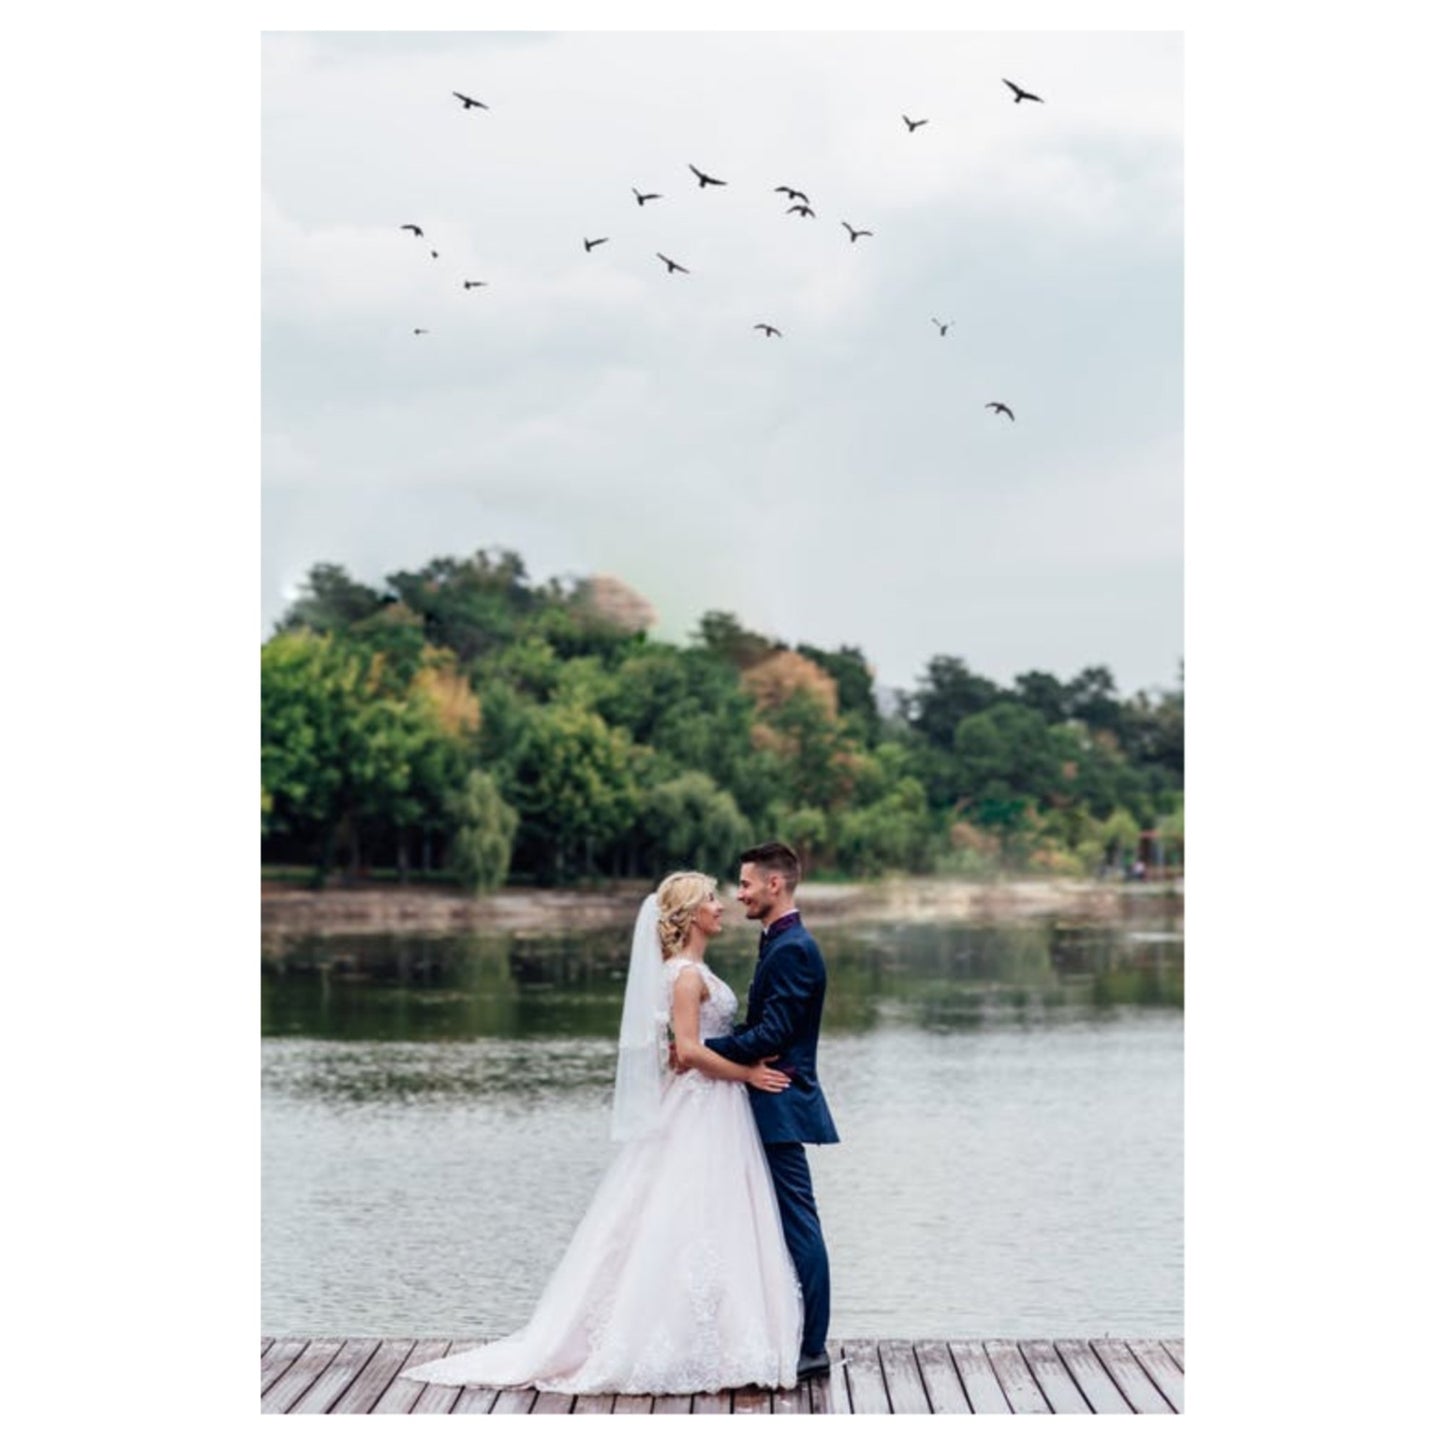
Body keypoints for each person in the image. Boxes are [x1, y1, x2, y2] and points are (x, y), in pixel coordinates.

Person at [399, 871, 803, 1396]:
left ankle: (723, 1340)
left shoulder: (690, 970)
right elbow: (688, 1052)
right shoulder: (684, 975)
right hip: (703, 1108)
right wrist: (748, 1072)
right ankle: (677, 1340)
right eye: (710, 898)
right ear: (689, 915)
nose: (720, 906)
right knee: (688, 1218)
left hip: (716, 1110)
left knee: (711, 1218)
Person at [702, 841, 839, 1383]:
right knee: (772, 1221)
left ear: (774, 885)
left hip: (781, 1098)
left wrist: (703, 1053)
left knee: (798, 1223)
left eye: (746, 884)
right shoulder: (777, 943)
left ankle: (812, 1348)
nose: (739, 894)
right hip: (765, 1096)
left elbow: (776, 1033)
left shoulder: (793, 948)